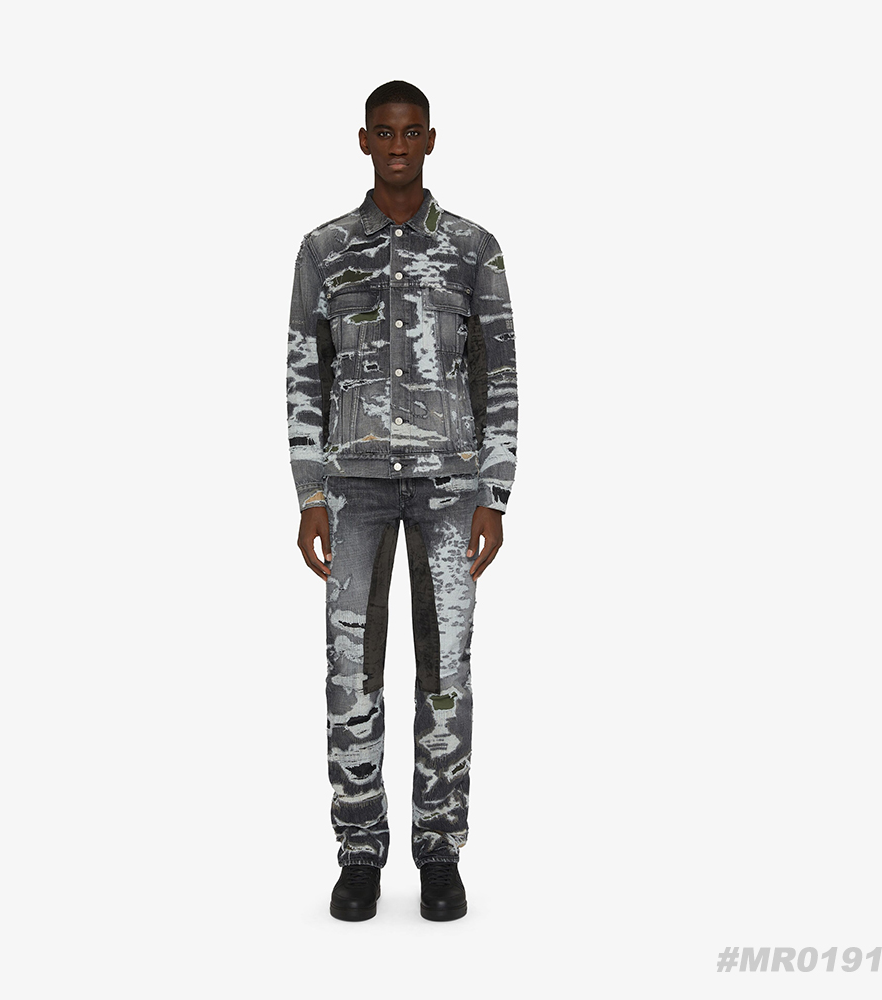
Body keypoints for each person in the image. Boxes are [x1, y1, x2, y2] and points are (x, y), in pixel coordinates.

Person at [285, 80, 518, 921]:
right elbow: (303, 372)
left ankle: (439, 851)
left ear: (430, 140)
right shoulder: (324, 249)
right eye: (383, 133)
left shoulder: (472, 248)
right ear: (363, 140)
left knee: (446, 670)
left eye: (410, 132)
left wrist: (495, 492)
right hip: (352, 489)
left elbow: (500, 371)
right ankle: (359, 852)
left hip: (451, 487)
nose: (396, 145)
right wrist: (310, 492)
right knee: (350, 671)